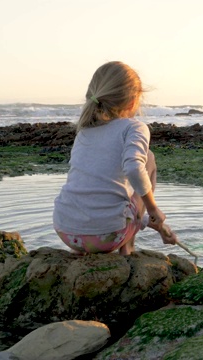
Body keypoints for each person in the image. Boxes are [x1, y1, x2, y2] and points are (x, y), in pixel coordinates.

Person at [53, 61, 178, 255]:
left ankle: (82, 255)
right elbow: (135, 169)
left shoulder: (85, 131)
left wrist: (155, 225)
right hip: (108, 236)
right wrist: (153, 211)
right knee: (148, 159)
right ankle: (127, 248)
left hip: (66, 233)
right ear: (132, 101)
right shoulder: (134, 127)